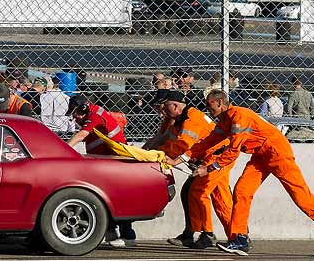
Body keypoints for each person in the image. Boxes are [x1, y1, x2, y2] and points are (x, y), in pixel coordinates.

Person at [167, 89, 314, 258]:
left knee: (301, 197)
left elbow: (233, 151)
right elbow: (206, 143)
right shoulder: (224, 121)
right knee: (242, 191)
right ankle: (240, 239)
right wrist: (178, 159)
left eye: (209, 104)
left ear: (220, 102)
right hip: (261, 156)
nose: (206, 108)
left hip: (277, 154)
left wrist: (209, 168)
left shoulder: (239, 116)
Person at [152, 89, 233, 249]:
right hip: (205, 160)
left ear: (174, 106)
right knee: (212, 197)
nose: (160, 110)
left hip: (215, 159)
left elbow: (184, 145)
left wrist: (166, 157)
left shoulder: (192, 118)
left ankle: (210, 234)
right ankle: (233, 235)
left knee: (200, 193)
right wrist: (147, 153)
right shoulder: (173, 119)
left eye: (163, 106)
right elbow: (160, 139)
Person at [65, 93, 136, 247]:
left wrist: (62, 150)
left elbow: (81, 135)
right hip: (104, 163)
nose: (75, 118)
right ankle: (110, 233)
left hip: (115, 162)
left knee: (119, 198)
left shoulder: (95, 115)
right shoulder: (91, 117)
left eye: (75, 114)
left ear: (83, 108)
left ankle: (128, 236)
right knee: (103, 197)